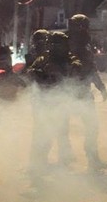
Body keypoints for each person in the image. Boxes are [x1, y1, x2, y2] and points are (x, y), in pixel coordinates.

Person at [25, 31, 80, 172]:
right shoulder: (44, 59)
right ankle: (38, 163)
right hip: (45, 102)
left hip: (60, 101)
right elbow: (30, 73)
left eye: (59, 44)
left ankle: (63, 161)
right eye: (55, 44)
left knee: (62, 133)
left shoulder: (67, 58)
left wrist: (72, 67)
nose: (57, 47)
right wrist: (41, 75)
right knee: (43, 134)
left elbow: (76, 64)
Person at [66, 14, 107, 171]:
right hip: (76, 92)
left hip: (70, 92)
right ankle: (90, 159)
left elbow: (90, 68)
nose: (87, 29)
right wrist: (101, 87)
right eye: (85, 26)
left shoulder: (74, 42)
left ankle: (67, 159)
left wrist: (101, 87)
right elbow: (90, 69)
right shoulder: (79, 44)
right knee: (91, 126)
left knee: (63, 126)